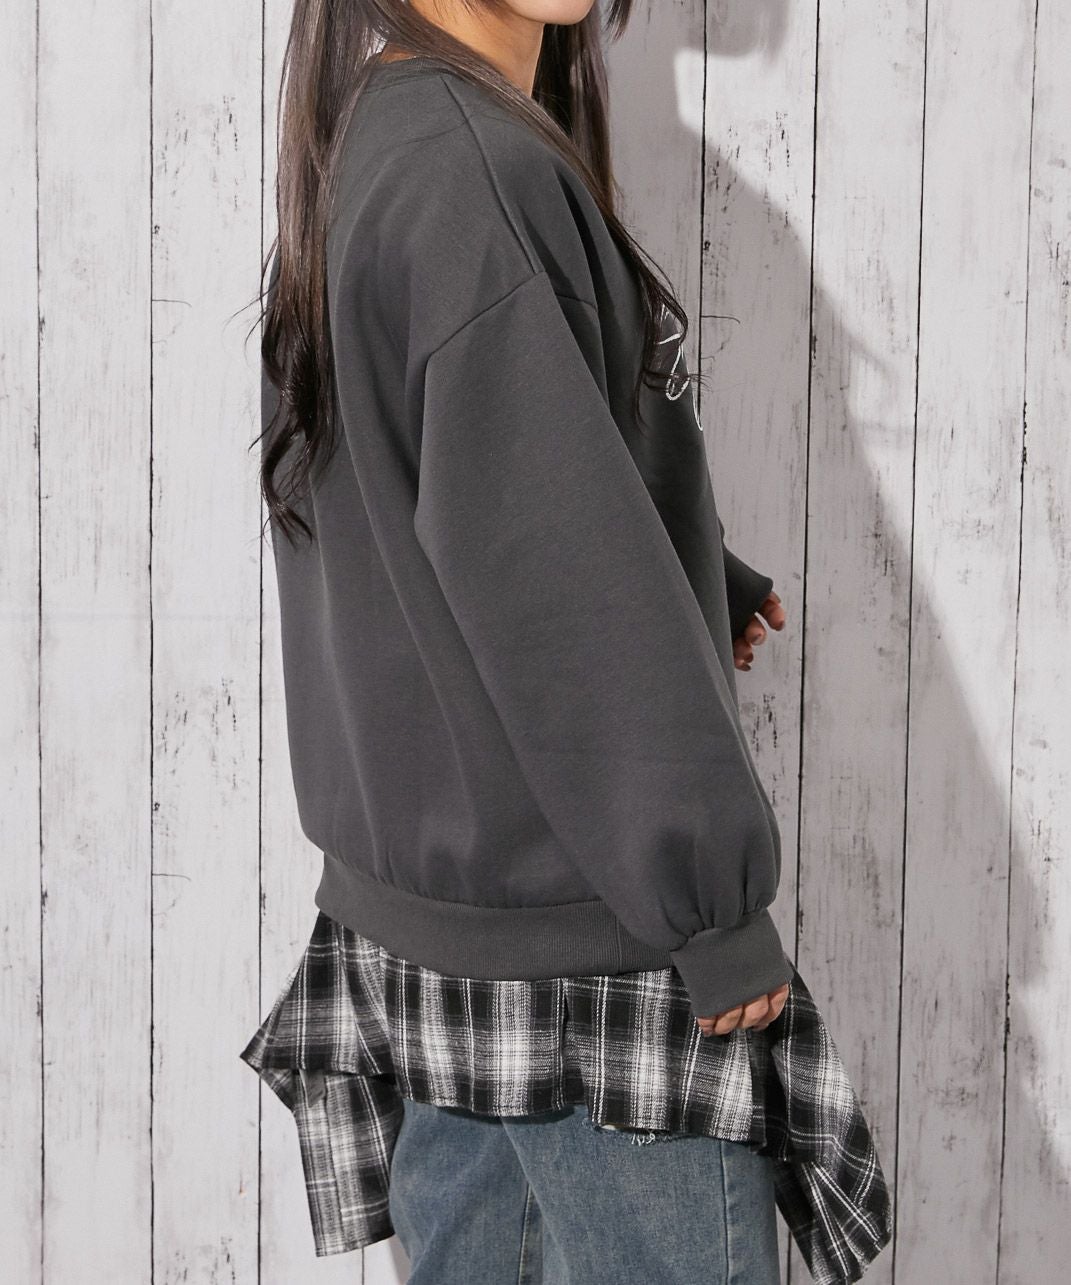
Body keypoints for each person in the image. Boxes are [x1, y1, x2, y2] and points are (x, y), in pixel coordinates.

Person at [242, 2, 867, 1281]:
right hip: (583, 967)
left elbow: (459, 502)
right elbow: (554, 580)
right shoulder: (474, 168)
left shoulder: (386, 134)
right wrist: (708, 906)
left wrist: (688, 570)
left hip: (438, 952)